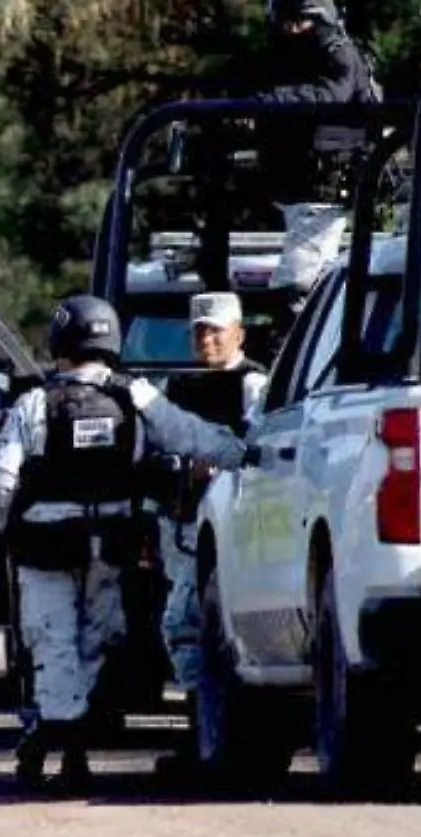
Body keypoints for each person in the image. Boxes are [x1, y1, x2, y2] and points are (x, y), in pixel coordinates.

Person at [0, 295, 251, 789]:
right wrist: (246, 452)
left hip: (46, 547)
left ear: (61, 342)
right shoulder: (137, 397)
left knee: (52, 640)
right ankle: (56, 742)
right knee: (93, 641)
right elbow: (192, 437)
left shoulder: (35, 403)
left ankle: (62, 746)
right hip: (111, 543)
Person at [147, 293, 270, 771]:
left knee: (186, 624)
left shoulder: (253, 384)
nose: (207, 338)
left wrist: (214, 466)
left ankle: (212, 737)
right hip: (182, 526)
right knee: (189, 630)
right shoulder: (176, 386)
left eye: (216, 329)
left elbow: (257, 446)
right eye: (199, 330)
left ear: (239, 333)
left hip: (238, 526)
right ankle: (205, 734)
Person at [250, 0, 379, 319]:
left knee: (298, 285)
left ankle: (292, 350)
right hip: (300, 184)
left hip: (326, 186)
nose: (290, 31)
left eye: (299, 22)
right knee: (307, 278)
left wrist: (273, 101)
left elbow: (332, 94)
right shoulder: (292, 61)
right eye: (285, 22)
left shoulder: (339, 54)